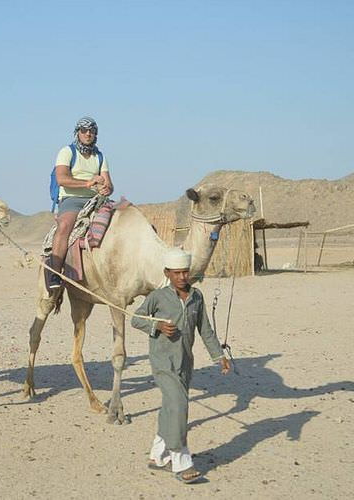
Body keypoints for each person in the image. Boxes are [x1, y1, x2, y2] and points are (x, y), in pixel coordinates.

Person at [130, 248, 231, 484]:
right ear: (167, 273)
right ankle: (181, 460)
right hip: (163, 362)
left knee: (170, 408)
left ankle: (157, 456)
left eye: (185, 272)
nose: (182, 277)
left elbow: (205, 330)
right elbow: (136, 318)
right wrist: (156, 327)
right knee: (178, 406)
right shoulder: (157, 297)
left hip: (185, 362)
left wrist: (219, 356)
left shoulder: (197, 296)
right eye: (176, 273)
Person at [47, 116, 114, 288]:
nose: (88, 134)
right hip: (72, 199)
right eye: (84, 130)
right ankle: (55, 273)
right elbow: (62, 179)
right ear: (78, 133)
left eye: (92, 131)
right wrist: (87, 183)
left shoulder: (100, 156)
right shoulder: (67, 152)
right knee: (65, 227)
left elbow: (109, 184)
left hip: (97, 200)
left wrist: (107, 189)